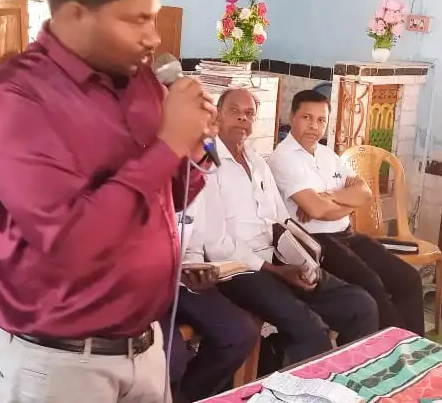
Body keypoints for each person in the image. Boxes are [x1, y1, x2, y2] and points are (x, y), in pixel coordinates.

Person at [0, 0, 216, 401]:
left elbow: (166, 195)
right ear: (76, 14)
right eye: (136, 20)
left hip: (145, 346)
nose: (153, 37)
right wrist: (167, 145)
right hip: (61, 365)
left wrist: (192, 147)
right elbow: (73, 244)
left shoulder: (140, 82)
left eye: (153, 18)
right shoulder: (15, 100)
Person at [189, 88, 379, 366]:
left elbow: (280, 220)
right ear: (218, 115)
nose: (242, 118)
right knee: (310, 329)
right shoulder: (207, 164)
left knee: (361, 305)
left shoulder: (257, 162)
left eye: (249, 113)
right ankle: (296, 376)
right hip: (240, 271)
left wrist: (302, 260)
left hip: (277, 259)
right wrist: (276, 271)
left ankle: (349, 379)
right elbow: (218, 247)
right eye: (234, 111)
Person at [268, 89, 426, 336]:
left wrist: (328, 196)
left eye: (321, 120)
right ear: (292, 117)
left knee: (408, 278)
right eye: (307, 117)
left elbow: (364, 192)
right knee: (372, 285)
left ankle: (415, 346)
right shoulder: (283, 158)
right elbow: (317, 210)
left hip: (347, 234)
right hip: (316, 243)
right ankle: (396, 349)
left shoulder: (327, 154)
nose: (314, 126)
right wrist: (343, 201)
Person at [160, 214, 259, 403]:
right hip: (138, 288)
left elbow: (193, 244)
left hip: (180, 282)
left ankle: (188, 397)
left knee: (240, 334)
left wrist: (195, 270)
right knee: (171, 354)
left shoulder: (194, 195)